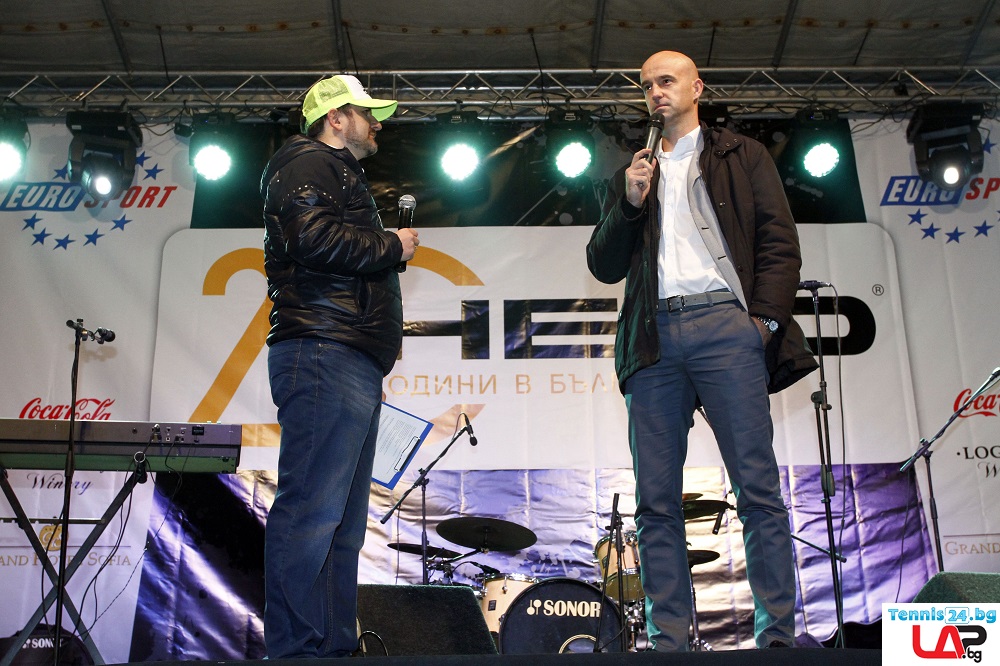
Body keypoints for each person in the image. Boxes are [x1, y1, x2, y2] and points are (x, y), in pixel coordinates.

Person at [586, 51, 817, 651]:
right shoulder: (631, 172)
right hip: (653, 337)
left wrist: (762, 324)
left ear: (697, 88)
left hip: (725, 325)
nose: (656, 93)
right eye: (646, 86)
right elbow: (603, 265)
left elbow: (778, 242)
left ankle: (777, 637)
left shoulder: (742, 155)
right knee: (655, 503)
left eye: (666, 81)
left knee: (757, 489)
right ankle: (670, 641)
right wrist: (629, 202)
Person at [260, 74, 419, 659]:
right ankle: (297, 651)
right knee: (312, 512)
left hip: (345, 356)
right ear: (335, 118)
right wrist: (392, 246)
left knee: (343, 526)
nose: (377, 123)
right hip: (323, 351)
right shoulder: (308, 160)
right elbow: (312, 237)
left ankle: (332, 649)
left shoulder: (335, 171)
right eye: (366, 113)